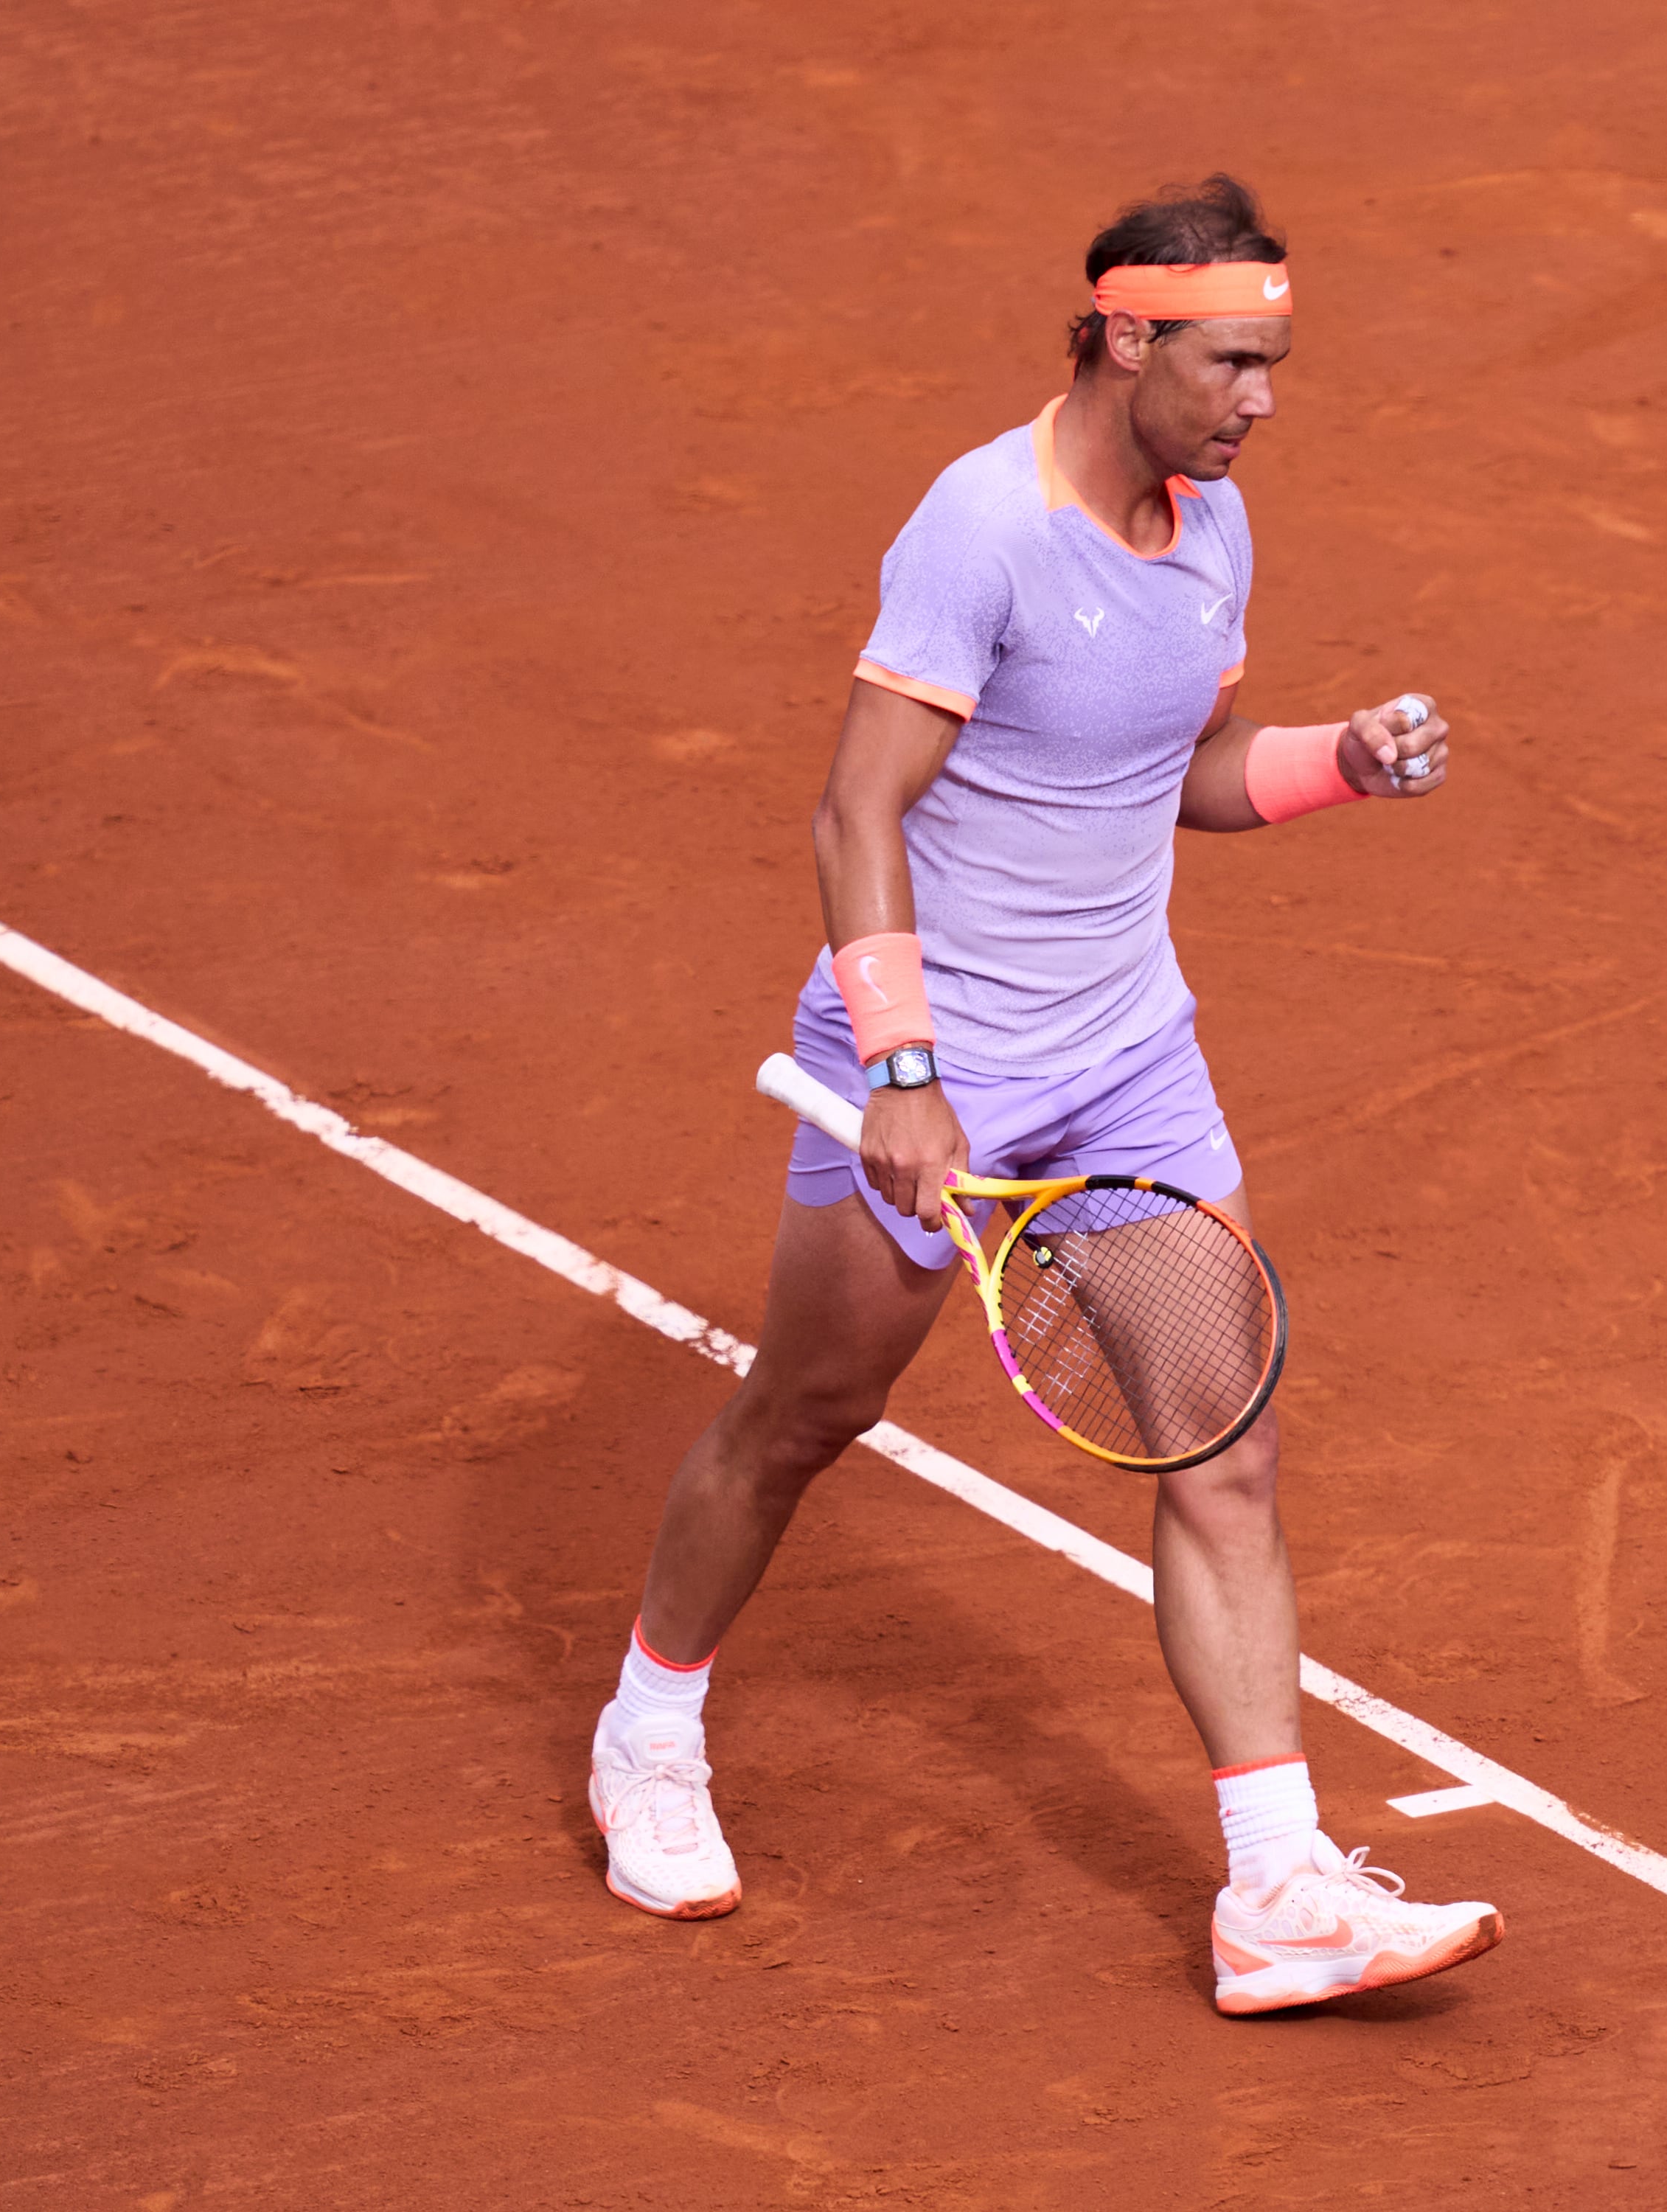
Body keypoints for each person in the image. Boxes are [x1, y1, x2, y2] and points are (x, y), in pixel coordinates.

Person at [585, 176, 1502, 2017]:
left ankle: (1277, 1897)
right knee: (804, 1418)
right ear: (1127, 336)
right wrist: (910, 1079)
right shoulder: (980, 529)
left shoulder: (1213, 527)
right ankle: (648, 1732)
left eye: (1277, 364)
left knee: (1224, 1448)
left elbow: (1177, 774)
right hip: (935, 1069)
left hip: (1129, 1062)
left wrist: (1345, 764)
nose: (1261, 402)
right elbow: (857, 810)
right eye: (1235, 362)